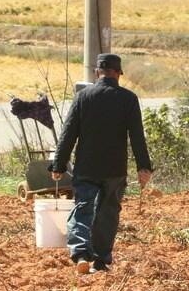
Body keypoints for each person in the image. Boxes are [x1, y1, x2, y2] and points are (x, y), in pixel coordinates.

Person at [51, 54, 153, 274]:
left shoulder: (83, 97)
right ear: (118, 74)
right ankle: (101, 260)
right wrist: (143, 167)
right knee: (108, 212)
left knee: (82, 207)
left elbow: (69, 133)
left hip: (87, 166)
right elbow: (137, 136)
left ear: (97, 72)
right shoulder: (128, 98)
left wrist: (58, 165)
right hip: (114, 168)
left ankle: (80, 254)